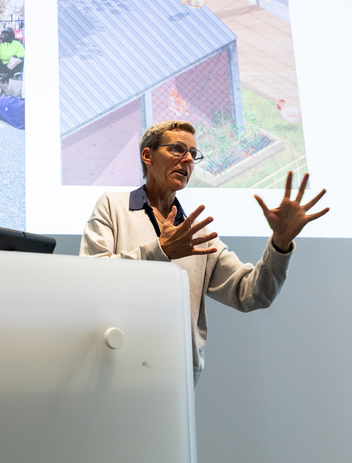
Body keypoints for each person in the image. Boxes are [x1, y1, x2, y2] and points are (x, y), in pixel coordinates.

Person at [80, 120, 328, 385]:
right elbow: (92, 277)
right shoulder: (113, 206)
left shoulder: (198, 235)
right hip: (114, 365)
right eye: (177, 149)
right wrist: (159, 251)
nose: (188, 160)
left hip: (176, 376)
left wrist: (280, 242)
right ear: (148, 155)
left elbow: (253, 294)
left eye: (193, 155)